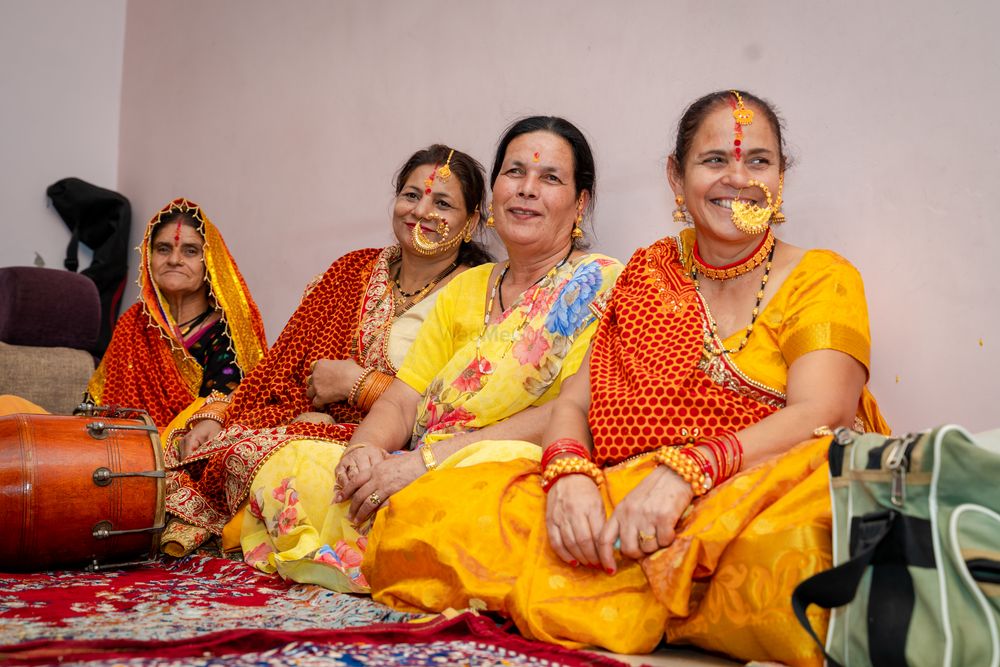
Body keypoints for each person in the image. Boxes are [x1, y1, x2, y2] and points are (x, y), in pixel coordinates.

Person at [359, 92, 890, 667]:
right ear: (676, 176)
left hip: (765, 482)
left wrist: (690, 472)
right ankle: (665, 589)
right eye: (714, 161)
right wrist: (568, 474)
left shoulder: (823, 276)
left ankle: (655, 584)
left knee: (802, 540)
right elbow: (575, 403)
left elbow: (824, 413)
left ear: (780, 176)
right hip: (632, 485)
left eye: (758, 161)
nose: (737, 179)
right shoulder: (648, 271)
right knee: (437, 510)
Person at [240, 117, 624, 592]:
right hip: (422, 460)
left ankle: (396, 546)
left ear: (579, 202)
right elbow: (403, 399)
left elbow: (569, 411)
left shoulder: (601, 284)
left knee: (470, 499)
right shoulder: (466, 287)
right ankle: (394, 547)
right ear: (495, 191)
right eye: (514, 172)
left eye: (550, 178)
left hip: (508, 468)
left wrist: (429, 462)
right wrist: (365, 450)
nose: (527, 189)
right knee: (293, 462)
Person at [161, 144, 493, 557]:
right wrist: (221, 411)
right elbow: (278, 367)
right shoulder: (351, 269)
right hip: (307, 419)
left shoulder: (480, 295)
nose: (420, 211)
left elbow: (463, 405)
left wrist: (358, 385)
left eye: (441, 203)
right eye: (411, 195)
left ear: (473, 219)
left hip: (398, 446)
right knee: (189, 431)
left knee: (285, 464)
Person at [86, 198, 266, 427]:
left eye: (190, 251)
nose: (174, 260)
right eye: (163, 249)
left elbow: (218, 414)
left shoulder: (229, 336)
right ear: (149, 257)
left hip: (187, 452)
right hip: (116, 445)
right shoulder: (134, 324)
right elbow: (95, 405)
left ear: (210, 262)